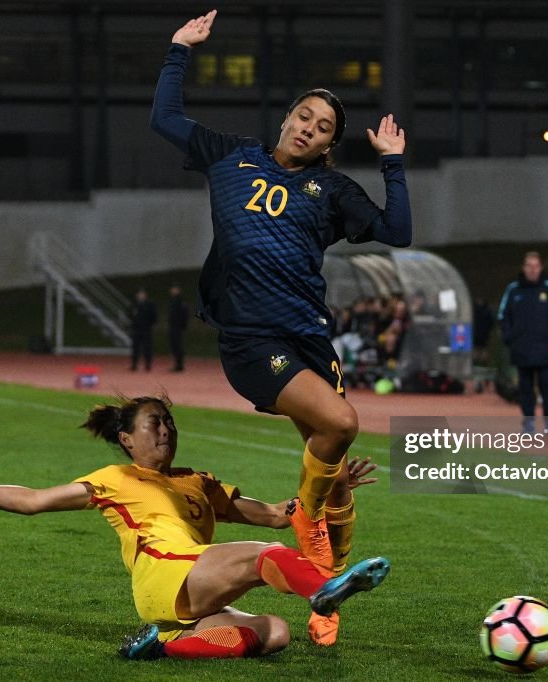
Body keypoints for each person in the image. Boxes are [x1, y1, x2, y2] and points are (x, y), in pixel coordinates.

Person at [150, 9, 411, 644]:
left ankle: (328, 591)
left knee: (340, 467)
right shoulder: (230, 157)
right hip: (250, 338)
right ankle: (307, 520)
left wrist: (393, 165)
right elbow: (164, 119)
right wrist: (179, 49)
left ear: (328, 145)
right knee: (343, 424)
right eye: (304, 116)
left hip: (308, 338)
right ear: (287, 119)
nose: (309, 128)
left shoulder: (333, 189)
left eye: (323, 127)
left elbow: (398, 233)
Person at [0, 395, 389, 660]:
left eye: (169, 423)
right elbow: (34, 501)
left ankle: (166, 644)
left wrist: (328, 486)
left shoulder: (199, 482)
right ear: (125, 439)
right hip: (164, 573)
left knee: (274, 633)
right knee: (260, 555)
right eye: (153, 424)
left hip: (189, 589)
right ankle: (325, 591)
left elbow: (279, 514)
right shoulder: (112, 479)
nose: (165, 430)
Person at [497, 252, 548, 434]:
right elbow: (503, 317)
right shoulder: (513, 290)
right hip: (521, 349)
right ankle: (528, 423)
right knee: (525, 389)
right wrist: (510, 337)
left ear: (541, 268)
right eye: (529, 265)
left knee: (547, 387)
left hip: (545, 349)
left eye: (536, 266)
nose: (532, 269)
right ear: (524, 267)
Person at [130, 288, 157, 372]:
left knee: (147, 348)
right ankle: (134, 364)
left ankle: (148, 365)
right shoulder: (134, 305)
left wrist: (150, 325)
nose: (141, 296)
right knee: (135, 348)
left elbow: (154, 316)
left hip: (146, 330)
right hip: (136, 330)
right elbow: (130, 315)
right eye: (139, 294)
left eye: (142, 294)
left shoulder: (150, 304)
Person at [168, 284, 189, 372]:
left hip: (178, 327)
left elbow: (185, 315)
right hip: (172, 327)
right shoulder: (172, 301)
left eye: (175, 289)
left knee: (178, 346)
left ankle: (180, 365)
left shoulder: (180, 301)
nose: (173, 291)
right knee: (174, 346)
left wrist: (183, 326)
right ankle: (177, 364)